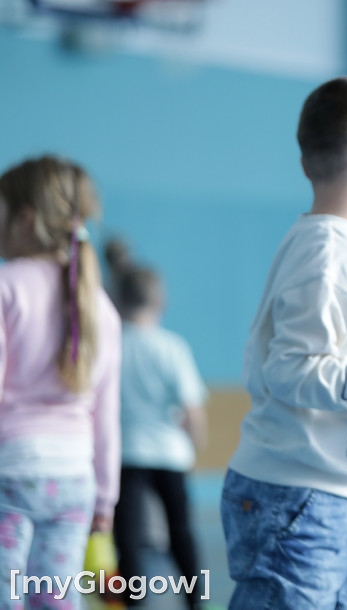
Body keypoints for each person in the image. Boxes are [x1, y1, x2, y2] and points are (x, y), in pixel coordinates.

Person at [219, 76, 347, 609]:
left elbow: (344, 357)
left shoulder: (345, 246)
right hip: (295, 497)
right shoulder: (329, 252)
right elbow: (295, 370)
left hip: (335, 497)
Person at [0, 155, 121, 608]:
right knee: (55, 599)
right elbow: (105, 412)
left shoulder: (6, 286)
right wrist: (105, 499)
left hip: (12, 472)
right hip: (75, 478)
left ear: (25, 219)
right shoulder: (99, 304)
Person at [104, 240, 207, 609]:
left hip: (126, 453)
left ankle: (135, 601)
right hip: (169, 454)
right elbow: (191, 409)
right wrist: (194, 445)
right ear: (160, 301)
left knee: (127, 534)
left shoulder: (111, 346)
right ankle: (196, 599)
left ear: (117, 300)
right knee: (180, 530)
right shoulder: (172, 347)